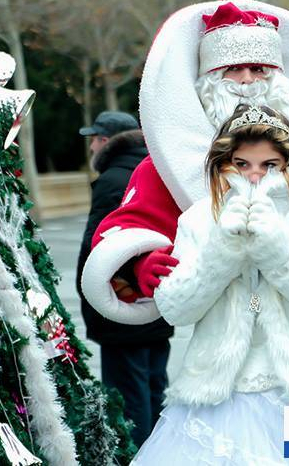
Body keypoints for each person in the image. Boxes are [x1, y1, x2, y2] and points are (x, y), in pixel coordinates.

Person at [81, 0, 289, 405]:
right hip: (220, 374)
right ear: (209, 78)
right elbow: (124, 230)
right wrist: (142, 263)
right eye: (233, 68)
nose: (247, 81)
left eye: (259, 69)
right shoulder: (169, 165)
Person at [132, 105, 289, 465]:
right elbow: (177, 309)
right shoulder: (199, 219)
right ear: (224, 163)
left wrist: (278, 252)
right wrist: (222, 252)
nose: (254, 176)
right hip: (217, 397)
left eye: (269, 165)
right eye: (242, 164)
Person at [76, 114, 174, 448]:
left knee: (127, 403)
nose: (91, 144)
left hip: (121, 308)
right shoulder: (155, 173)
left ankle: (137, 456)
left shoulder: (113, 179)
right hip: (155, 304)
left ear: (108, 141)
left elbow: (99, 248)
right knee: (153, 390)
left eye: (95, 137)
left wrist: (95, 298)